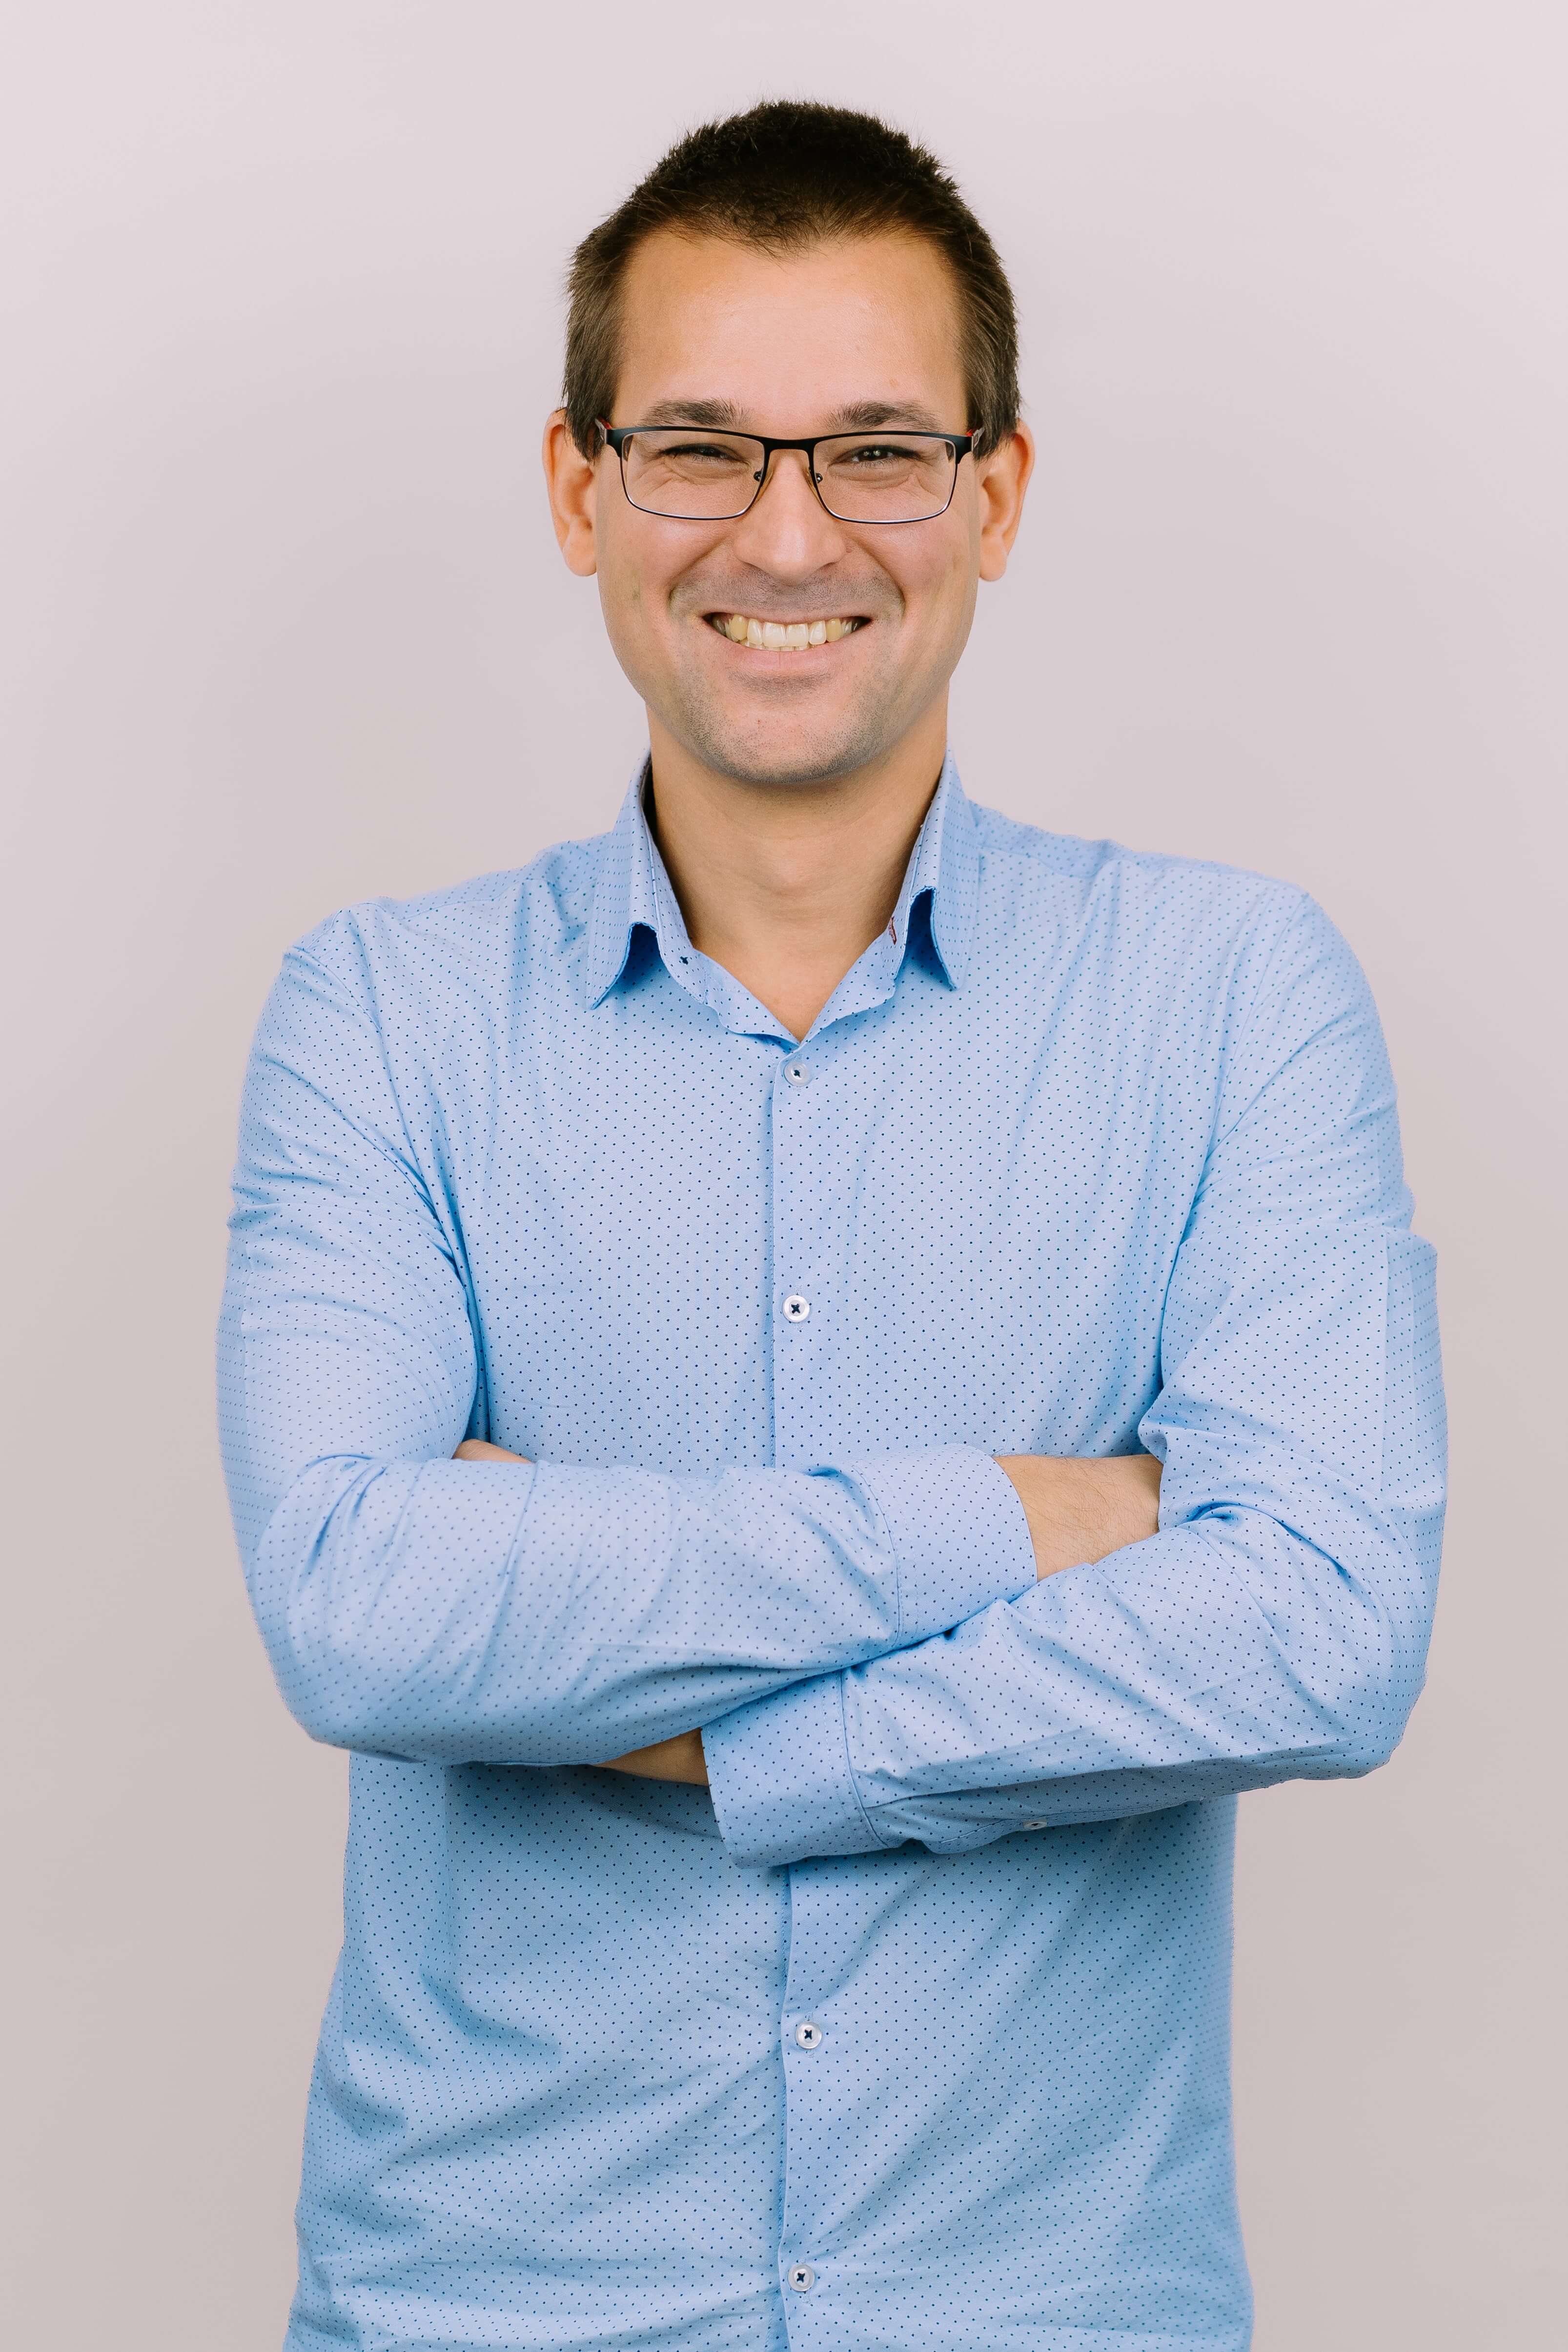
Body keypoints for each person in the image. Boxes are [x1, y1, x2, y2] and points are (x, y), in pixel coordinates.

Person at [218, 99, 1445, 2352]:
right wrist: (1036, 1517)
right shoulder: (381, 1016)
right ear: (581, 487)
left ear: (998, 492)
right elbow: (363, 1607)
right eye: (701, 448)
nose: (788, 534)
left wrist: (697, 1711)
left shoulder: (1233, 995)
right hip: (482, 2310)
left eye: (878, 451)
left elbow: (1323, 1626)